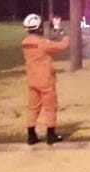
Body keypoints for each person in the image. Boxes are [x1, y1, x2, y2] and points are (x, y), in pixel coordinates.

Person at [21, 13, 70, 145]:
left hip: (32, 81)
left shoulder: (25, 43)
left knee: (32, 108)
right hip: (46, 80)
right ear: (38, 27)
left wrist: (54, 30)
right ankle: (51, 135)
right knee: (50, 108)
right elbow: (63, 45)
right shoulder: (43, 43)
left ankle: (31, 135)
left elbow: (48, 42)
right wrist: (60, 29)